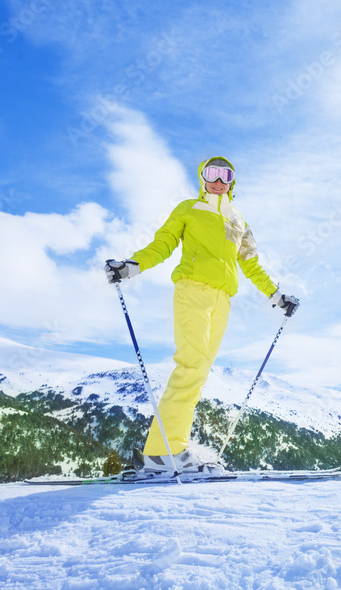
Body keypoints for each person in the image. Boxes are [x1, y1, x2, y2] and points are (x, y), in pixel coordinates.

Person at [105, 156, 299, 475]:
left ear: (232, 181)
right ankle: (163, 453)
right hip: (192, 288)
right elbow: (164, 243)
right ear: (202, 176)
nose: (218, 180)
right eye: (212, 173)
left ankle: (168, 448)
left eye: (226, 175)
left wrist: (276, 295)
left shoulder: (238, 220)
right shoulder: (189, 208)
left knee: (200, 372)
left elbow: (250, 263)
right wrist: (132, 266)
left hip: (223, 299)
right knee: (191, 364)